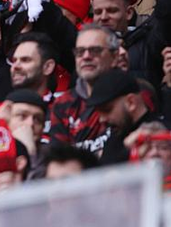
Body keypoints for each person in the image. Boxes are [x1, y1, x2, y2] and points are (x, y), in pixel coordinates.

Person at [49, 25, 121, 154]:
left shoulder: (132, 96)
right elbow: (59, 163)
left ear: (115, 57)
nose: (86, 56)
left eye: (95, 50)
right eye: (80, 51)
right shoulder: (62, 105)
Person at [87, 69, 159, 164]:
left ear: (131, 102)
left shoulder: (162, 137)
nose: (101, 119)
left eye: (107, 110)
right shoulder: (113, 140)